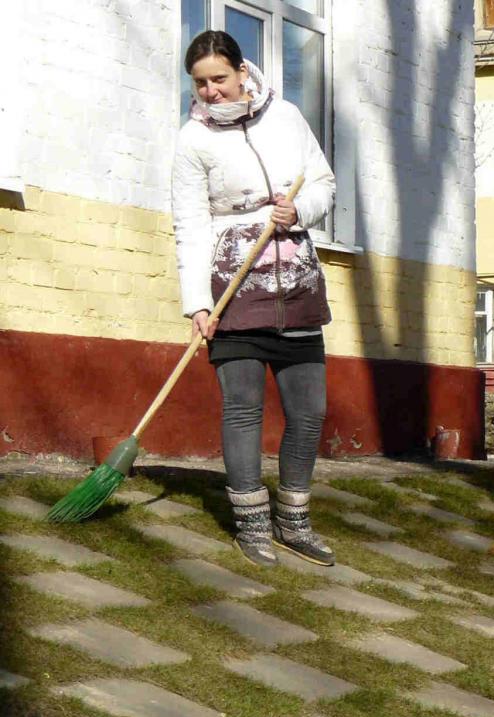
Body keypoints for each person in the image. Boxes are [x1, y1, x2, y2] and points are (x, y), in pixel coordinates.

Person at [173, 30, 337, 567]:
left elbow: (323, 184)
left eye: (219, 78)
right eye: (200, 83)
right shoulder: (192, 141)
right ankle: (251, 523)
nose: (211, 91)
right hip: (234, 291)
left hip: (297, 285)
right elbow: (191, 226)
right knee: (243, 411)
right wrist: (198, 302)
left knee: (308, 413)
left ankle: (294, 521)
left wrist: (301, 210)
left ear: (243, 72)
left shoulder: (286, 117)